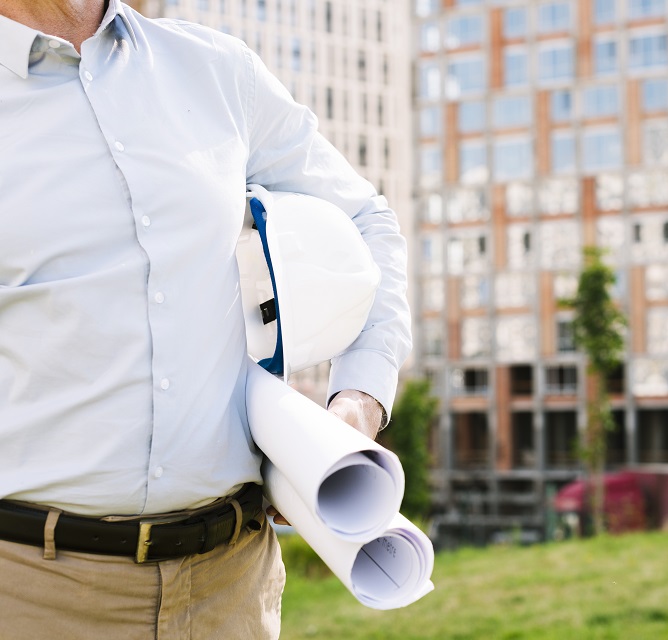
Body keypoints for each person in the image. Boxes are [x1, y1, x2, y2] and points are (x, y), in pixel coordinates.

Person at [0, 0, 412, 637]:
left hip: (230, 590)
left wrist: (357, 397)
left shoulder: (215, 69)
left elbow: (365, 218)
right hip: (30, 593)